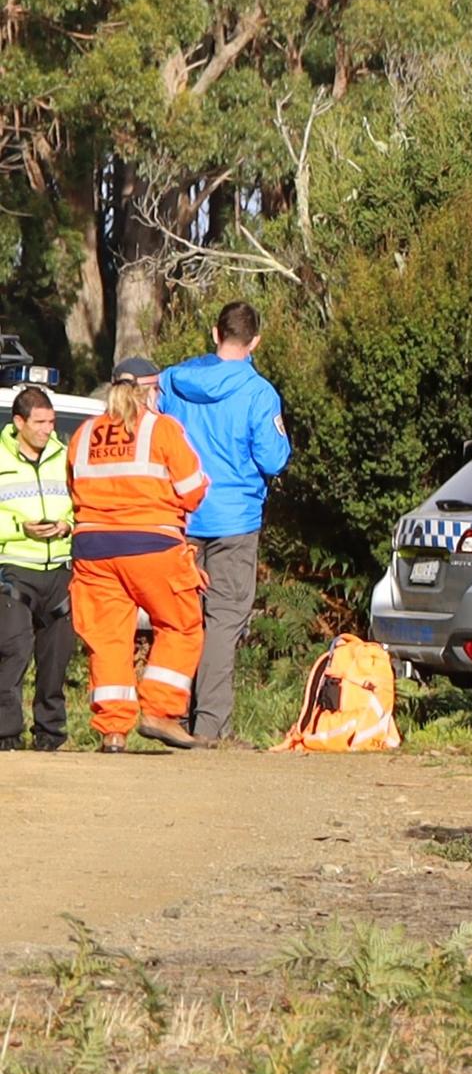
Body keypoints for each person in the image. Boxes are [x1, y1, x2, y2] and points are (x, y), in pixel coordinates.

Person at [161, 300, 293, 744]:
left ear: (214, 332)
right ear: (255, 341)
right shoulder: (259, 393)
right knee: (223, 620)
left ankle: (168, 712)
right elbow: (274, 458)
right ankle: (211, 726)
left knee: (180, 617)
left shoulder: (173, 381)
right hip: (234, 519)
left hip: (180, 514)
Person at [67, 369, 208, 751]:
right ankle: (160, 712)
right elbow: (193, 490)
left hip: (93, 550)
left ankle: (113, 731)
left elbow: (73, 490)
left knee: (108, 638)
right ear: (148, 393)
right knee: (181, 625)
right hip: (152, 546)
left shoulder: (82, 436)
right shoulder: (160, 429)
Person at [0, 383, 71, 751]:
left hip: (59, 568)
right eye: (40, 422)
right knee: (13, 652)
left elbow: (80, 503)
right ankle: (6, 734)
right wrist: (18, 529)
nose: (48, 429)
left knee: (56, 658)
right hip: (13, 568)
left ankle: (50, 733)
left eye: (51, 422)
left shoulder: (65, 455)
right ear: (19, 422)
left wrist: (68, 525)